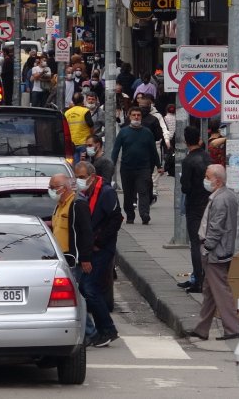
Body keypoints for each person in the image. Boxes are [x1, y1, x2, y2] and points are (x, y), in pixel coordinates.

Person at [187, 164, 239, 341]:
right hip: (220, 249)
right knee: (210, 291)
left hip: (216, 252)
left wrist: (207, 247)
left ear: (217, 181)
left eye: (208, 177)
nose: (206, 180)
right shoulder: (226, 196)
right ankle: (202, 329)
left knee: (220, 290)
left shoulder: (220, 199)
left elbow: (216, 227)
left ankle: (232, 328)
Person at [74, 162, 122, 347]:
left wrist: (99, 241)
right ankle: (104, 330)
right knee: (88, 287)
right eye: (76, 177)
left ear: (92, 177)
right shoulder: (87, 193)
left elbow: (116, 219)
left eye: (82, 177)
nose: (79, 181)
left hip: (103, 248)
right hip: (92, 246)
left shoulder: (106, 192)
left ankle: (107, 329)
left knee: (90, 287)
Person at [48, 173, 98, 343]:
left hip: (74, 260)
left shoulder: (77, 204)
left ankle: (90, 333)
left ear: (65, 187)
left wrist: (85, 259)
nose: (51, 191)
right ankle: (90, 332)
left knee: (77, 297)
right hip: (62, 259)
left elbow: (86, 233)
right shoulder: (59, 205)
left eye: (54, 187)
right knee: (77, 297)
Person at [111, 107, 162, 225]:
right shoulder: (123, 132)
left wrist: (159, 166)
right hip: (127, 168)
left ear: (141, 117)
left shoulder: (147, 132)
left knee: (143, 191)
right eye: (133, 115)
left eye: (138, 115)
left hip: (143, 168)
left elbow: (153, 151)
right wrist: (112, 165)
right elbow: (116, 149)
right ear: (129, 117)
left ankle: (145, 214)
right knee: (128, 193)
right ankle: (130, 215)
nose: (136, 117)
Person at [179, 126, 212, 294]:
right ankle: (207, 278)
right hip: (209, 203)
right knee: (208, 242)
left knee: (196, 244)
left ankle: (198, 281)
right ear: (199, 139)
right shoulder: (208, 157)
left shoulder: (188, 161)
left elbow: (185, 187)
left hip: (194, 205)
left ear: (186, 141)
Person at [65, 93, 94, 163]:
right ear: (83, 100)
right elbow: (91, 126)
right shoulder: (85, 111)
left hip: (71, 144)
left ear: (73, 101)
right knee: (85, 165)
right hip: (84, 143)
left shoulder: (67, 113)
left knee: (74, 165)